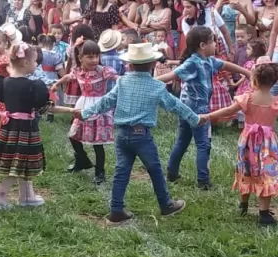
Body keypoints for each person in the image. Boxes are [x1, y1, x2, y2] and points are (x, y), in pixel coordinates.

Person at [74, 42, 206, 225]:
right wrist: (196, 119)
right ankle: (166, 204)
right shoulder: (156, 86)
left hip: (121, 134)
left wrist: (85, 113)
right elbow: (176, 106)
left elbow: (106, 102)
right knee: (155, 169)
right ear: (153, 64)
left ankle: (116, 210)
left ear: (130, 64)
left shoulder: (122, 81)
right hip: (141, 136)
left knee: (121, 171)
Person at [0, 41, 74, 210]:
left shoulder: (3, 83)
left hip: (8, 129)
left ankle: (26, 196)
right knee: (16, 164)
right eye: (36, 61)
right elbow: (48, 108)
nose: (37, 64)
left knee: (22, 162)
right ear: (26, 63)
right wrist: (71, 111)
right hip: (24, 130)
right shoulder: (33, 86)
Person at [156, 26, 251, 189]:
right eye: (213, 41)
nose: (216, 45)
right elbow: (172, 76)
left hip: (185, 106)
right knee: (203, 144)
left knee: (183, 140)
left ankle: (172, 173)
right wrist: (147, 81)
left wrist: (247, 73)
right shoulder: (192, 62)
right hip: (198, 108)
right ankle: (203, 181)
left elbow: (226, 65)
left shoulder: (208, 61)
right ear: (202, 45)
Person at [203, 62, 278, 226]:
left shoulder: (247, 98)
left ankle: (243, 205)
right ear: (274, 82)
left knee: (246, 171)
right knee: (267, 174)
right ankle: (264, 213)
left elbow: (228, 111)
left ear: (255, 81)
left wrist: (207, 116)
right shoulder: (277, 101)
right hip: (268, 145)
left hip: (248, 142)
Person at [52, 40, 118, 184]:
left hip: (99, 107)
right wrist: (56, 84)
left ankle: (100, 172)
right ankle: (82, 160)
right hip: (82, 105)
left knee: (97, 142)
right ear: (81, 58)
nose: (94, 60)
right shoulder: (77, 71)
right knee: (73, 135)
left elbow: (117, 78)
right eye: (90, 57)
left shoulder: (103, 71)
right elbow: (67, 77)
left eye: (96, 56)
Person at [233, 39, 267, 129]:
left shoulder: (254, 64)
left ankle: (248, 123)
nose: (246, 51)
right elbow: (246, 76)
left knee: (247, 104)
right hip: (250, 87)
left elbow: (246, 76)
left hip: (250, 88)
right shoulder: (254, 64)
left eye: (248, 49)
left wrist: (236, 84)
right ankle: (245, 123)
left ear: (254, 52)